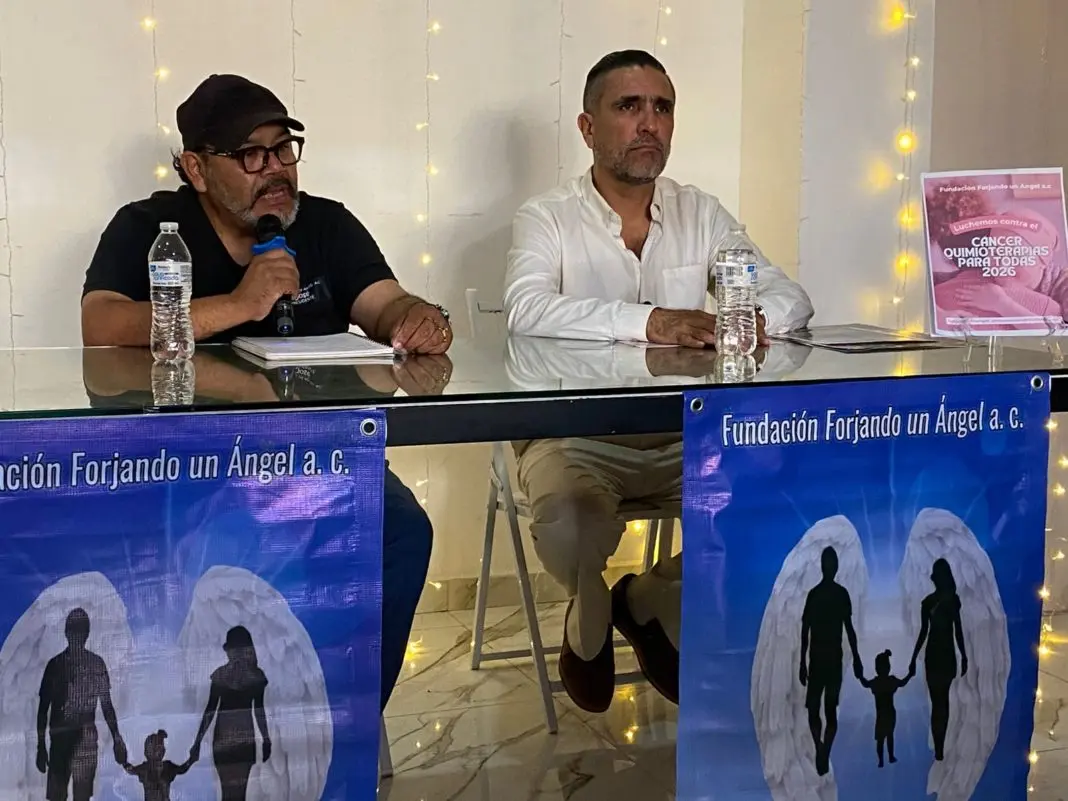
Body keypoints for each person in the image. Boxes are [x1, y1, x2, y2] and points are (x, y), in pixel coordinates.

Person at [80, 74, 445, 712]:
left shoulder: (327, 224)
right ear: (196, 167)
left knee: (401, 530)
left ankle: (344, 721)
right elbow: (102, 324)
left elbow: (386, 305)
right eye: (252, 155)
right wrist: (238, 304)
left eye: (284, 150)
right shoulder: (150, 229)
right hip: (192, 464)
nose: (275, 170)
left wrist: (417, 317)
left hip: (321, 457)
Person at [501, 50, 814, 713]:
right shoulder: (546, 216)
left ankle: (647, 598)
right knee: (569, 521)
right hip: (574, 434)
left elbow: (789, 295)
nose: (650, 124)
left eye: (662, 108)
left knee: (783, 492)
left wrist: (756, 316)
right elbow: (526, 311)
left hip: (688, 432)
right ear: (588, 129)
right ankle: (586, 615)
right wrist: (653, 322)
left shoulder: (702, 213)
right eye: (629, 107)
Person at [37, 608, 128, 801]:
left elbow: (107, 706)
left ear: (86, 634)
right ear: (67, 633)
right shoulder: (56, 665)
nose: (77, 636)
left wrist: (117, 738)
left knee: (80, 796)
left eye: (80, 631)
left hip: (83, 743)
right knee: (59, 796)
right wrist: (40, 747)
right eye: (74, 631)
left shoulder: (95, 664)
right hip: (61, 743)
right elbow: (43, 708)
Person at [799, 547, 863, 776]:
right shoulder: (833, 594)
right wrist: (801, 662)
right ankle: (821, 748)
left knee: (823, 709)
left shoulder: (818, 594)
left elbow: (848, 629)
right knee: (824, 710)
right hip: (826, 658)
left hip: (822, 658)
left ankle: (822, 748)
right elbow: (806, 630)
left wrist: (856, 658)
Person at [190, 626, 269, 801]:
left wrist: (197, 743)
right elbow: (210, 710)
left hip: (232, 740)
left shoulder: (224, 676)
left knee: (233, 793)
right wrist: (265, 739)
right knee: (235, 794)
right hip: (233, 741)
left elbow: (259, 711)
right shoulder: (252, 676)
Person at [908, 557, 968, 761]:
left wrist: (914, 658)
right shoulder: (952, 600)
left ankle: (940, 746)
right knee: (943, 704)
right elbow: (956, 630)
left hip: (934, 656)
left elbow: (925, 632)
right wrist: (964, 655)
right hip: (945, 655)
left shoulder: (929, 602)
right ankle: (940, 744)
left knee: (937, 704)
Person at [858, 649, 914, 768]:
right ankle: (890, 756)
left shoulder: (876, 682)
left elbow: (865, 683)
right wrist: (909, 674)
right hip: (890, 713)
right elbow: (903, 682)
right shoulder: (891, 681)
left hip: (881, 714)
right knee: (889, 735)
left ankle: (881, 760)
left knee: (880, 738)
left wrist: (860, 675)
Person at [122, 729, 196, 801]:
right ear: (147, 751)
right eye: (156, 748)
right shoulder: (145, 769)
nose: (159, 751)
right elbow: (131, 770)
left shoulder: (167, 766)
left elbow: (182, 769)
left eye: (160, 747)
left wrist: (191, 760)